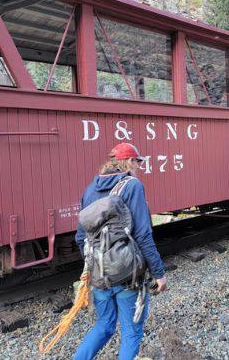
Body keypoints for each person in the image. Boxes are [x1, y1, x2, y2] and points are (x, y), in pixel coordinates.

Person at [72, 142, 167, 360]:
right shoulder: (132, 185)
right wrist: (159, 273)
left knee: (104, 326)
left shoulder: (90, 189)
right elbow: (143, 234)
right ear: (129, 162)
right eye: (137, 162)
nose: (139, 167)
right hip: (128, 276)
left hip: (100, 276)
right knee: (131, 330)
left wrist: (97, 266)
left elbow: (80, 236)